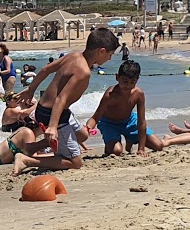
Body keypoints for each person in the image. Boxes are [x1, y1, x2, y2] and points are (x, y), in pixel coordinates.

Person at [6, 27, 120, 171]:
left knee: (83, 135)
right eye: (110, 54)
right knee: (75, 162)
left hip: (50, 110)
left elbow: (45, 69)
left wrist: (31, 89)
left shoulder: (74, 56)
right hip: (54, 114)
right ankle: (27, 160)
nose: (110, 58)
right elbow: (61, 98)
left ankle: (32, 147)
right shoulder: (83, 72)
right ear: (101, 51)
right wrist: (53, 126)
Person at [90, 60, 162, 156]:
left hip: (129, 120)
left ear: (137, 80)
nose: (128, 85)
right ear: (117, 77)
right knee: (117, 151)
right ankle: (111, 143)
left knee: (158, 145)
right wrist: (88, 128)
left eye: (132, 82)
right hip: (109, 123)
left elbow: (141, 121)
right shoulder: (110, 95)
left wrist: (141, 148)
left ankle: (130, 137)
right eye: (124, 81)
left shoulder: (138, 94)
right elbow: (96, 117)